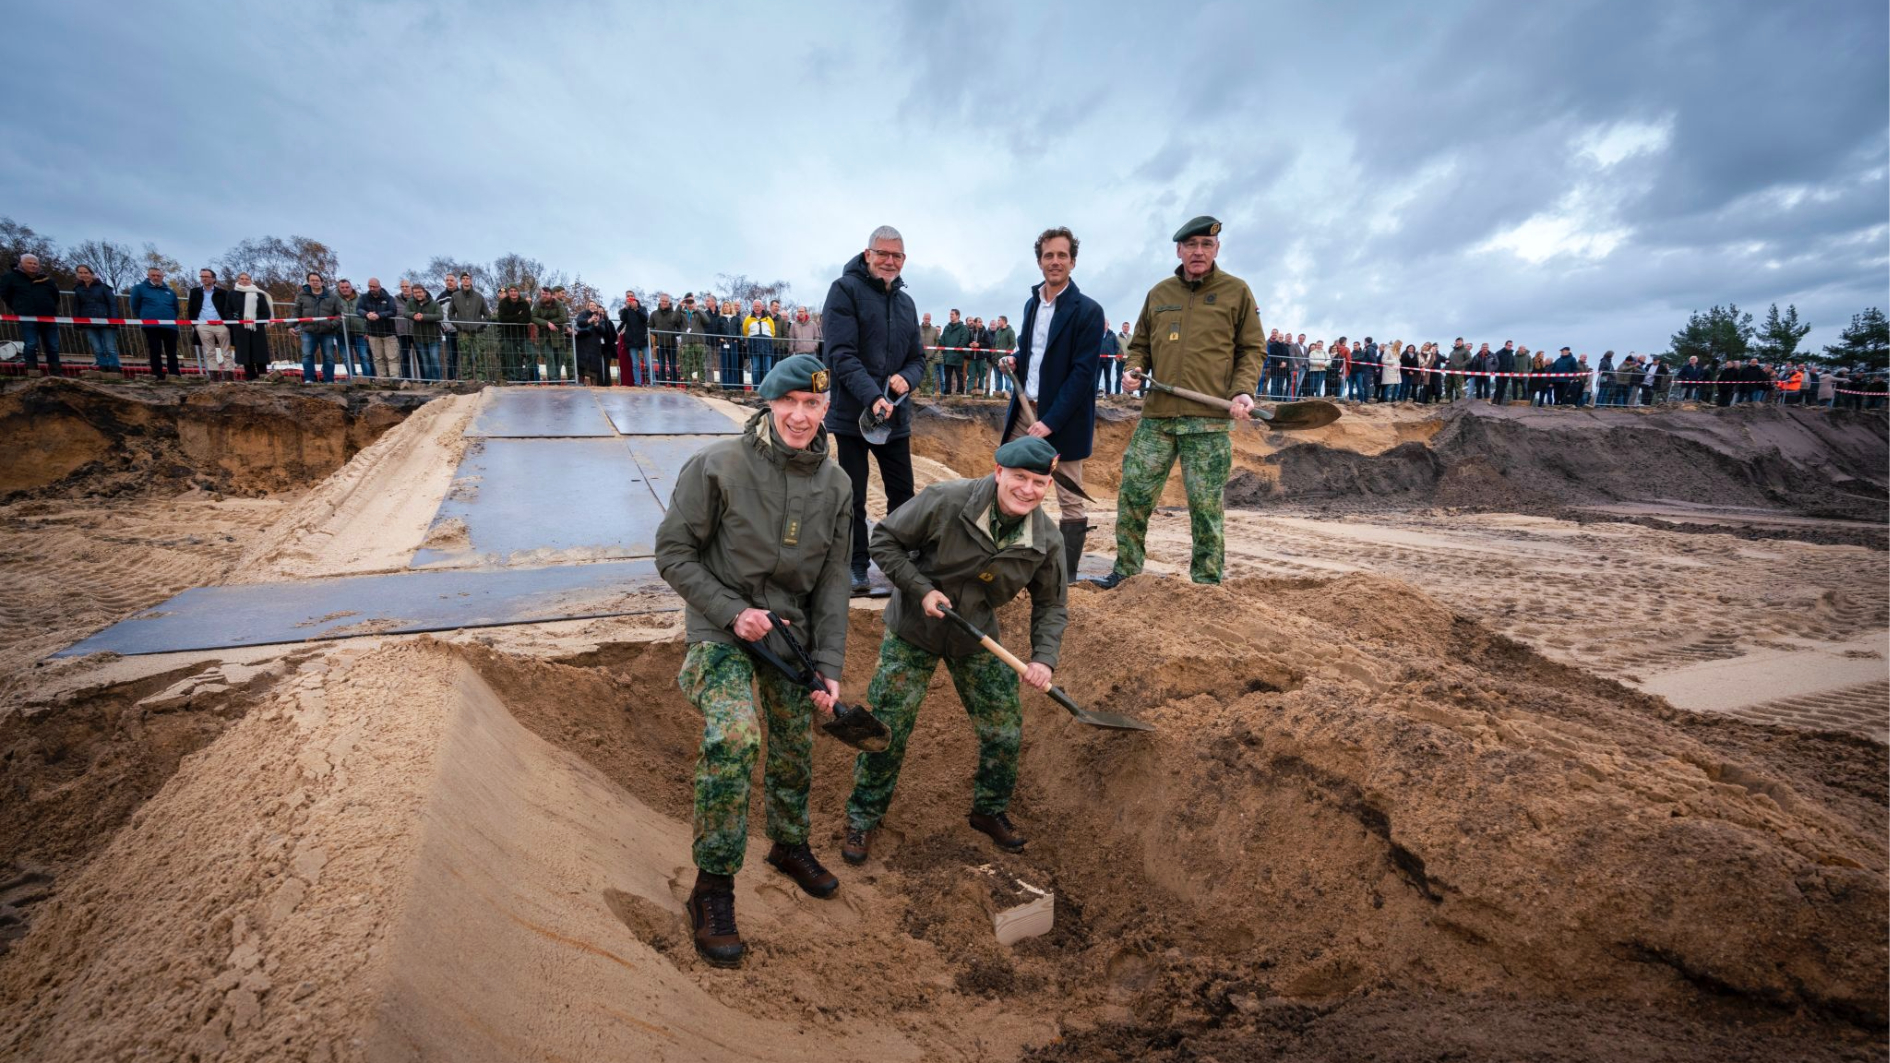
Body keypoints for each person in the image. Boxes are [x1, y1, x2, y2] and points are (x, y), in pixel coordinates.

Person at [653, 353, 853, 969]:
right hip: (720, 630)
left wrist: (829, 663)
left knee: (794, 740)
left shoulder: (838, 485)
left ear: (825, 408)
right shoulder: (717, 466)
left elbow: (833, 582)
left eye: (812, 404)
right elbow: (673, 553)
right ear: (768, 402)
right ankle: (712, 886)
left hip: (788, 637)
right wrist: (731, 611)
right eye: (789, 402)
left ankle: (789, 844)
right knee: (737, 735)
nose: (800, 416)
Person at [842, 435, 1068, 865]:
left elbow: (1052, 604)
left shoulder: (1045, 539)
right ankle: (863, 816)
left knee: (1003, 730)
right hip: (915, 627)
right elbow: (884, 540)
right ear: (998, 472)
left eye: (1038, 483)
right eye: (1019, 477)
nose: (1027, 489)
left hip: (975, 634)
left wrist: (1044, 658)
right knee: (888, 729)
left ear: (1048, 486)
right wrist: (921, 589)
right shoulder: (947, 501)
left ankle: (989, 810)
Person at [1094, 216, 1262, 589]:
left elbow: (1252, 349)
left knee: (1205, 507)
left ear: (1217, 249)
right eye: (1191, 245)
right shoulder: (1160, 293)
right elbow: (1140, 345)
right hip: (1158, 417)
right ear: (1179, 250)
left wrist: (1242, 390)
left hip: (1208, 419)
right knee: (1134, 495)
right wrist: (1133, 369)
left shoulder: (1236, 292)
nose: (1198, 251)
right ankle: (1126, 572)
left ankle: (1206, 584)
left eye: (1206, 244)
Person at [823, 225, 928, 595]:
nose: (889, 261)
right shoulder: (844, 291)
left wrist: (907, 378)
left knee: (902, 494)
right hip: (852, 416)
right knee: (853, 496)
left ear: (904, 260)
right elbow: (840, 355)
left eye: (896, 255)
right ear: (868, 254)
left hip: (894, 418)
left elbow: (918, 358)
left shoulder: (906, 303)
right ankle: (856, 565)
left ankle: (902, 562)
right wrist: (872, 396)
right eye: (882, 253)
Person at [996, 225, 1103, 584]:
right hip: (1024, 409)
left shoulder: (1088, 311)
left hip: (1064, 418)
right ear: (1039, 261)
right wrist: (1014, 360)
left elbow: (1083, 373)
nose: (1055, 261)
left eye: (1062, 255)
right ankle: (1008, 557)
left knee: (1069, 496)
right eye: (1048, 255)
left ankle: (1067, 575)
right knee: (1009, 480)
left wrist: (1051, 421)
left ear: (1073, 261)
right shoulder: (1032, 304)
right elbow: (1030, 351)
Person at [1, 254, 64, 376]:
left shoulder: (47, 280)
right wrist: (18, 307)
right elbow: (5, 295)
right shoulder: (10, 278)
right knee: (31, 343)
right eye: (29, 263)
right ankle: (32, 369)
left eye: (35, 263)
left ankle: (56, 370)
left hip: (48, 316)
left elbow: (55, 296)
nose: (33, 265)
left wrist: (49, 307)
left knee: (53, 345)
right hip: (27, 316)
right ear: (21, 263)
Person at [128, 265, 181, 379]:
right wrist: (145, 316)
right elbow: (135, 306)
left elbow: (176, 308)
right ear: (148, 276)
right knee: (155, 350)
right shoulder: (139, 288)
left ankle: (174, 374)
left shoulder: (170, 292)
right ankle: (157, 374)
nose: (156, 277)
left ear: (162, 276)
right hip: (151, 326)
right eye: (153, 275)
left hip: (170, 326)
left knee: (172, 351)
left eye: (158, 275)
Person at [293, 272, 344, 383]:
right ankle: (309, 379)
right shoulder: (302, 295)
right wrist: (291, 325)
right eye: (312, 280)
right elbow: (297, 311)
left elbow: (339, 314)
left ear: (322, 282)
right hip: (308, 330)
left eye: (317, 280)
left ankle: (329, 380)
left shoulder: (332, 297)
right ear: (308, 282)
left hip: (327, 331)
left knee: (329, 356)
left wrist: (332, 325)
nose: (315, 282)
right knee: (307, 355)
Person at [71, 264, 122, 372]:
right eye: (80, 273)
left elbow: (112, 304)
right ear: (77, 274)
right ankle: (103, 366)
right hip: (88, 322)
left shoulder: (103, 287)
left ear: (91, 273)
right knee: (97, 347)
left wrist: (114, 320)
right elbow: (77, 307)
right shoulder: (78, 289)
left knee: (110, 347)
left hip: (106, 321)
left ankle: (115, 367)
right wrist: (77, 322)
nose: (83, 275)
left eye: (86, 272)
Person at [187, 269, 236, 380]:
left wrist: (227, 325)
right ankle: (214, 378)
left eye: (207, 276)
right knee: (209, 352)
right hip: (203, 325)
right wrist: (196, 325)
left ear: (213, 279)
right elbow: (190, 309)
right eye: (202, 276)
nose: (204, 278)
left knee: (226, 351)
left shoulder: (223, 293)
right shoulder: (194, 292)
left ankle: (229, 376)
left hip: (221, 325)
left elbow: (228, 309)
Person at [230, 272, 275, 380]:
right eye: (242, 278)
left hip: (257, 329)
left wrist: (256, 323)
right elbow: (228, 310)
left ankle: (263, 376)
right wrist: (236, 322)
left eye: (247, 279)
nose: (244, 281)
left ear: (250, 280)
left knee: (260, 354)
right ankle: (250, 378)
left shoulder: (259, 294)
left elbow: (265, 312)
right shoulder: (232, 294)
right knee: (246, 355)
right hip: (241, 329)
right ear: (238, 280)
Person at [446, 272, 489, 381]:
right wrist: (458, 325)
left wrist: (481, 325)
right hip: (463, 332)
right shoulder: (455, 296)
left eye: (468, 278)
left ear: (471, 280)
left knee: (480, 356)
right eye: (463, 278)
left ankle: (481, 380)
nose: (466, 280)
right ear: (461, 281)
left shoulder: (479, 296)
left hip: (478, 332)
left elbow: (487, 314)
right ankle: (467, 380)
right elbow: (450, 314)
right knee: (465, 356)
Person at [358, 278, 400, 378]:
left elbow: (393, 311)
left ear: (379, 286)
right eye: (370, 286)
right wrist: (366, 314)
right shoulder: (363, 298)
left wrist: (379, 315)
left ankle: (394, 378)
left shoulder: (389, 298)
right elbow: (359, 309)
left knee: (392, 357)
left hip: (389, 332)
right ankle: (382, 379)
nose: (372, 288)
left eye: (374, 286)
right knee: (377, 358)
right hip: (373, 333)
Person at [572, 299, 616, 385]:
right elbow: (579, 322)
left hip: (594, 346)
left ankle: (595, 388)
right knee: (581, 370)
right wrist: (590, 320)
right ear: (587, 306)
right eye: (591, 305)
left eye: (594, 305)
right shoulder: (582, 314)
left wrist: (596, 324)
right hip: (582, 345)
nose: (593, 307)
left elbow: (603, 331)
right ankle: (580, 387)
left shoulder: (601, 319)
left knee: (593, 371)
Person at [404, 283, 443, 380]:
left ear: (424, 292)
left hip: (434, 337)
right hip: (419, 337)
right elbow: (405, 313)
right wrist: (414, 315)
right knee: (425, 362)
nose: (418, 294)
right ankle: (428, 382)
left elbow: (440, 316)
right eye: (415, 292)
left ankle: (438, 382)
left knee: (435, 360)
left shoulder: (434, 303)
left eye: (420, 292)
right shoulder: (410, 302)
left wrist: (423, 317)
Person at [334, 279, 370, 380]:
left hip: (360, 333)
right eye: (342, 287)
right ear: (339, 288)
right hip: (341, 333)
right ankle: (353, 378)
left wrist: (368, 331)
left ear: (351, 287)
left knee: (363, 356)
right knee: (346, 358)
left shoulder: (360, 299)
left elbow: (368, 314)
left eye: (347, 287)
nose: (345, 289)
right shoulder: (335, 300)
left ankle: (368, 379)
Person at [647, 292, 683, 385]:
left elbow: (680, 328)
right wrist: (657, 333)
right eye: (663, 301)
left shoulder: (674, 314)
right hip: (660, 343)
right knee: (662, 365)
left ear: (669, 302)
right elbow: (649, 327)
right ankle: (662, 385)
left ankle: (674, 384)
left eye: (666, 301)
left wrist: (674, 333)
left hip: (672, 343)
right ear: (660, 301)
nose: (664, 303)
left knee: (673, 365)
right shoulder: (654, 314)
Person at [533, 286, 568, 382]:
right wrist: (547, 323)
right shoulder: (537, 304)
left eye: (546, 294)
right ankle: (553, 380)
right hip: (544, 336)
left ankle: (557, 379)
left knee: (559, 358)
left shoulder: (558, 304)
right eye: (543, 294)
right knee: (549, 357)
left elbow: (563, 318)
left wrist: (550, 322)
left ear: (551, 295)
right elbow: (533, 317)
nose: (544, 296)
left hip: (557, 335)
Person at [617, 291, 651, 385]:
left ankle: (652, 382)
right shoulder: (625, 310)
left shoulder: (642, 308)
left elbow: (645, 318)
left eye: (631, 296)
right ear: (626, 298)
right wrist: (626, 308)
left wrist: (636, 309)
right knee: (635, 364)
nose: (630, 298)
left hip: (643, 338)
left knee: (648, 363)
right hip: (631, 340)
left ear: (635, 297)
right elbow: (622, 319)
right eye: (628, 296)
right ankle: (637, 383)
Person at [742, 297, 777, 387]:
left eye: (758, 306)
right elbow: (745, 332)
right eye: (755, 306)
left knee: (767, 369)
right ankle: (756, 388)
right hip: (754, 347)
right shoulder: (748, 319)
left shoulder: (769, 319)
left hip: (767, 347)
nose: (756, 308)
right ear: (752, 307)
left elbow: (772, 332)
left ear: (762, 307)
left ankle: (767, 387)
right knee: (755, 369)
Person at [937, 309, 969, 395]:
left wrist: (959, 348)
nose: (950, 316)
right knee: (947, 376)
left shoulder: (963, 328)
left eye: (952, 314)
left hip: (958, 356)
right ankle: (947, 391)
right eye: (950, 314)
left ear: (957, 316)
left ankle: (960, 392)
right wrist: (944, 351)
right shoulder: (947, 327)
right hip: (948, 356)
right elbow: (942, 339)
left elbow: (964, 339)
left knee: (959, 376)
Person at [393, 279, 416, 377]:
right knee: (404, 356)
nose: (405, 288)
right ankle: (407, 379)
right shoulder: (395, 299)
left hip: (416, 332)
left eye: (407, 286)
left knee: (421, 356)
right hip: (402, 332)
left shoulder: (417, 298)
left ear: (411, 287)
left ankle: (425, 380)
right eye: (402, 287)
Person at [990, 315, 1016, 395]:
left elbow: (1013, 344)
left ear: (1004, 321)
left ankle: (1008, 393)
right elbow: (994, 344)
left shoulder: (1010, 331)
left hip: (1006, 359)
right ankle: (999, 393)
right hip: (996, 359)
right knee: (998, 377)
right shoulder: (998, 332)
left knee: (1007, 377)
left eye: (999, 320)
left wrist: (1005, 354)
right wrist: (993, 354)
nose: (997, 322)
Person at [1097, 320, 1120, 395]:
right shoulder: (1097, 333)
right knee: (1096, 378)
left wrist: (1113, 353)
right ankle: (1094, 393)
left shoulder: (1112, 335)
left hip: (1108, 361)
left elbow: (1117, 346)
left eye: (1105, 323)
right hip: (1098, 360)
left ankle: (1108, 394)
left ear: (1108, 325)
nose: (1104, 325)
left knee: (1108, 378)